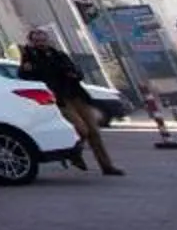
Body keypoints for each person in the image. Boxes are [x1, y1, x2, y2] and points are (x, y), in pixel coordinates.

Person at [18, 26, 123, 175]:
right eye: (37, 41)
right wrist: (27, 62)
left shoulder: (58, 54)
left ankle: (106, 166)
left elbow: (76, 71)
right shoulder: (31, 58)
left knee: (94, 131)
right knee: (82, 129)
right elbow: (24, 75)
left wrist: (74, 74)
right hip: (60, 98)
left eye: (43, 39)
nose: (41, 43)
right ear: (32, 42)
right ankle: (73, 153)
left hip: (76, 94)